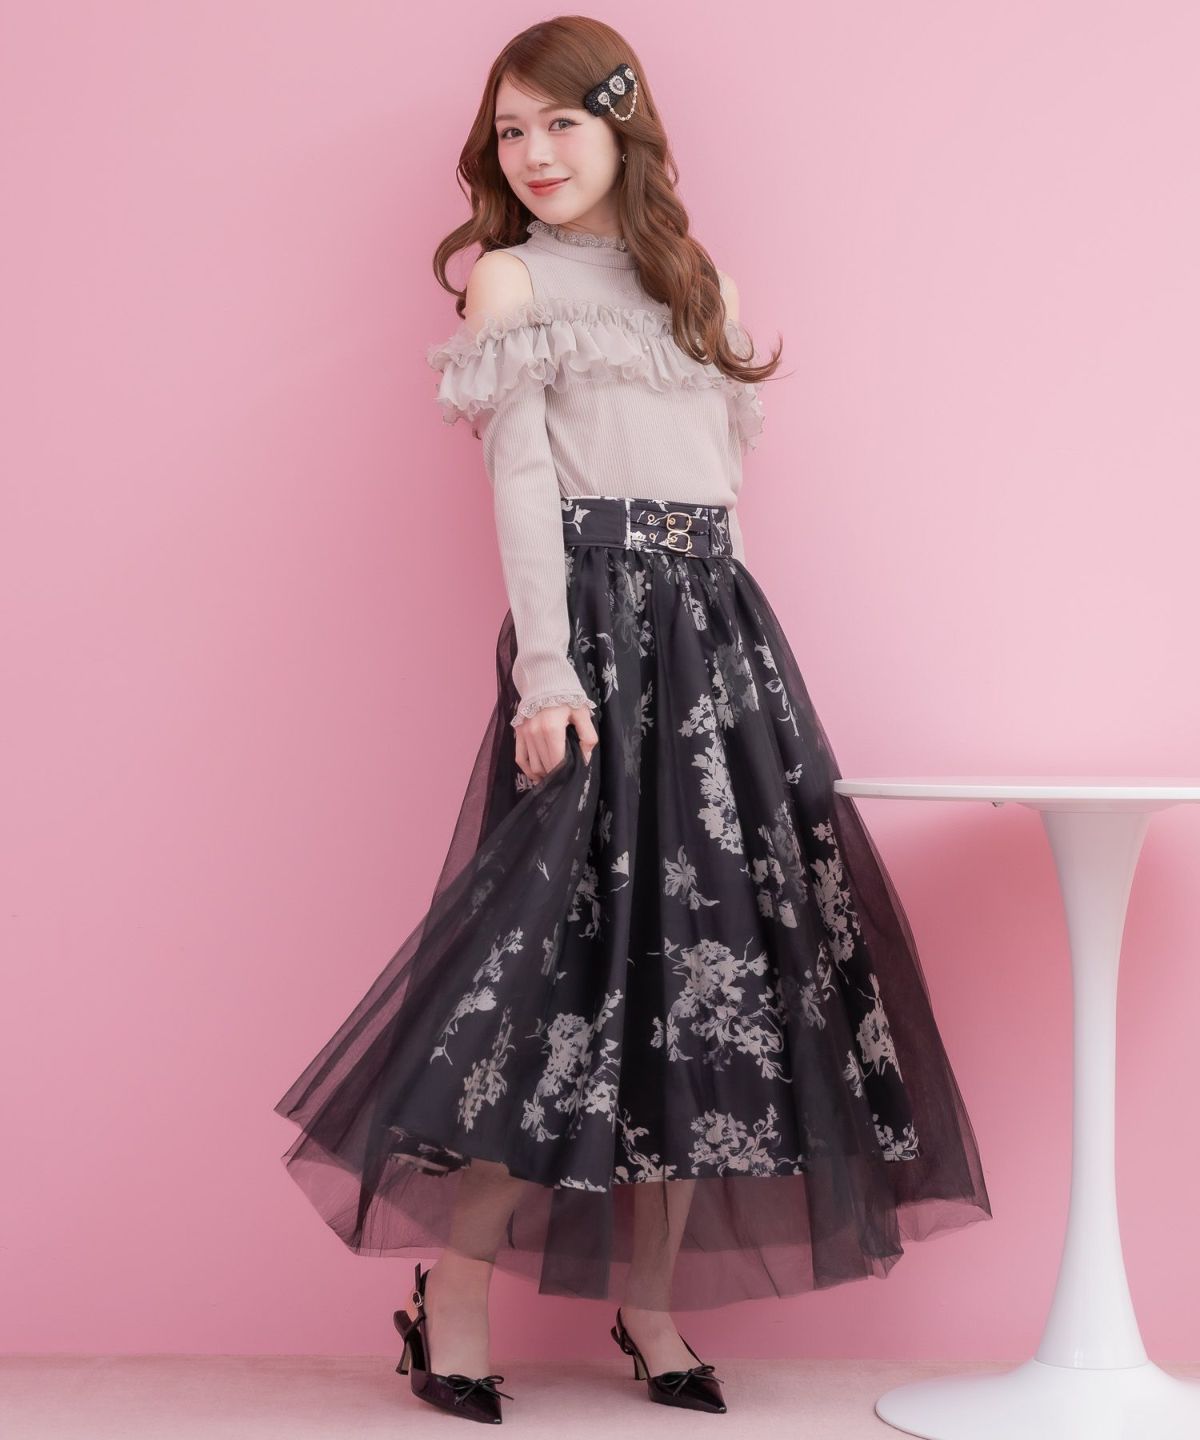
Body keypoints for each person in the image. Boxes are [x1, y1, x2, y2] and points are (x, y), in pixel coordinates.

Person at [273, 16, 992, 1424]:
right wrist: (549, 675)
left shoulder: (696, 281)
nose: (533, 154)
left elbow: (721, 482)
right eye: (510, 131)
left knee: (706, 988)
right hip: (595, 640)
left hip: (717, 642)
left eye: (560, 123)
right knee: (547, 984)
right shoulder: (513, 282)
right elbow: (521, 484)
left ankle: (650, 1306)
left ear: (624, 126)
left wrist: (727, 655)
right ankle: (452, 1299)